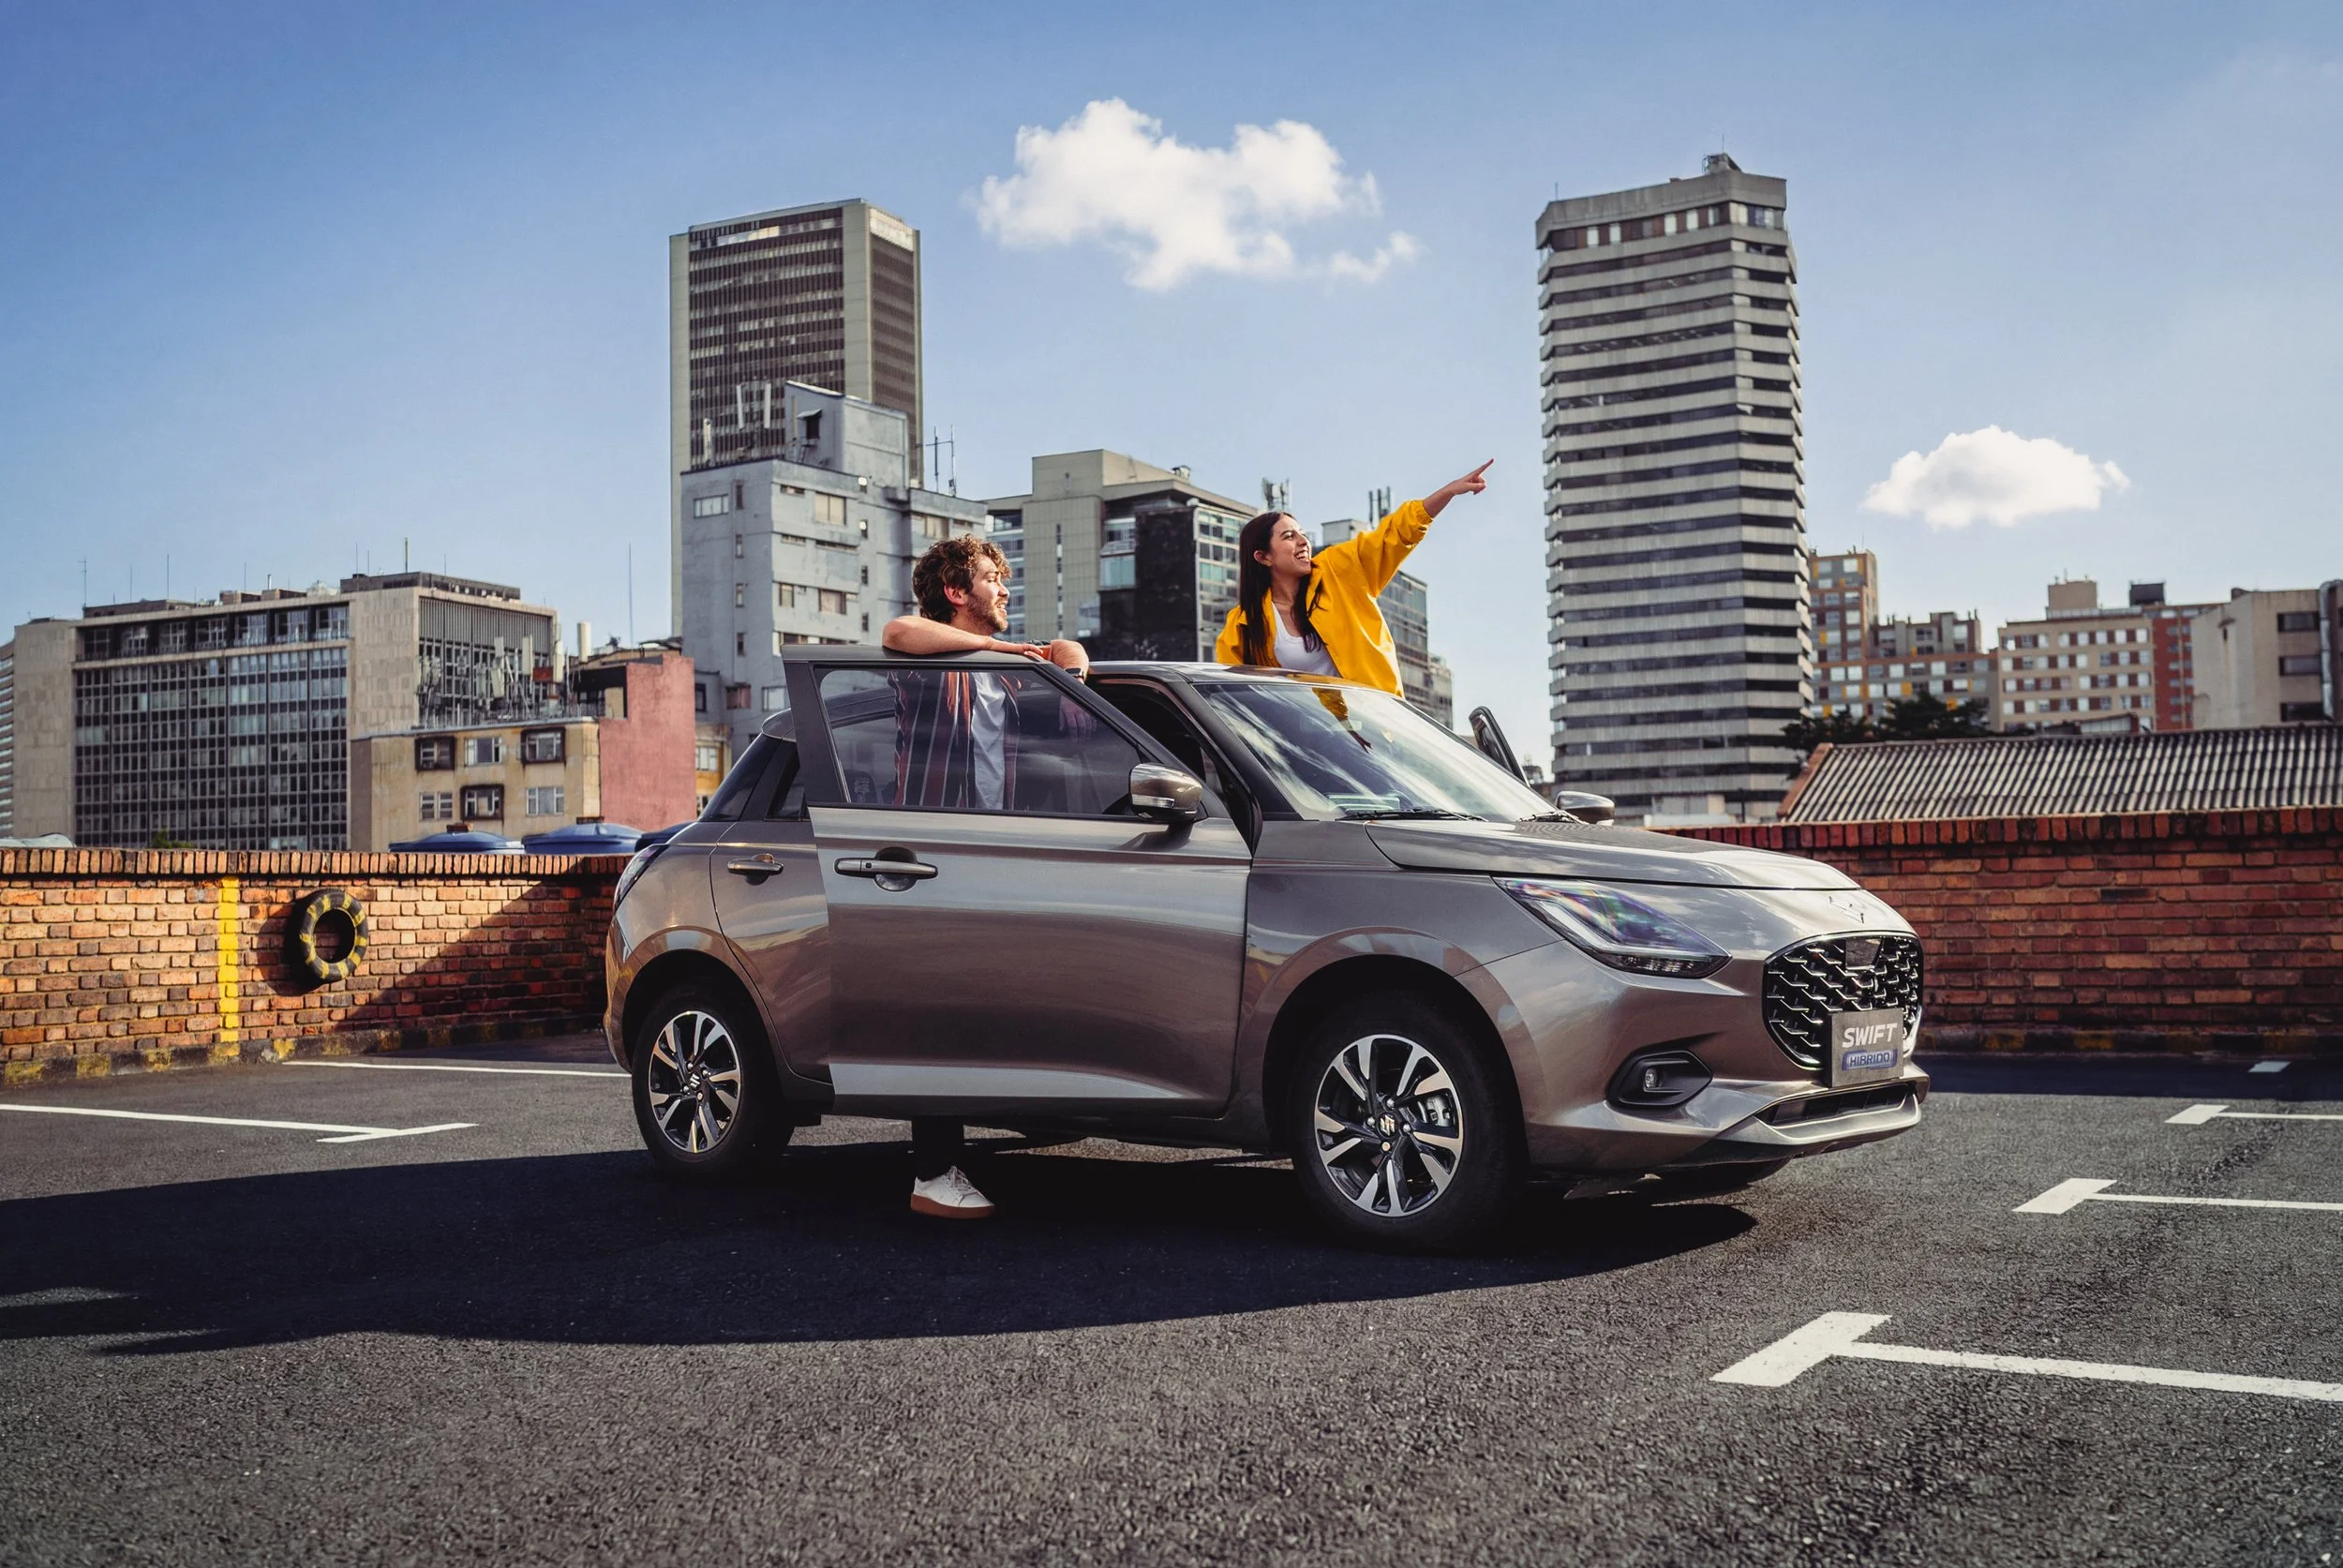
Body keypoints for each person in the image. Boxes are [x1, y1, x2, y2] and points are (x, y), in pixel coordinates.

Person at [878, 535, 1090, 1218]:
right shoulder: (927, 666)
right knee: (939, 1012)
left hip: (1001, 857)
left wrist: (1066, 661)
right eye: (993, 578)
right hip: (936, 860)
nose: (1005, 589)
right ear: (955, 592)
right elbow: (897, 629)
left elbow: (1067, 651)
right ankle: (933, 1173)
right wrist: (1004, 651)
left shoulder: (1006, 679)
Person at [1214, 462, 1492, 695]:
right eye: (1289, 536)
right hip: (1303, 745)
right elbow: (1232, 697)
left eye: (1302, 533)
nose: (1303, 542)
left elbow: (1394, 535)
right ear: (1263, 558)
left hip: (1373, 729)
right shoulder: (1242, 626)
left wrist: (1448, 492)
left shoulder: (1338, 570)